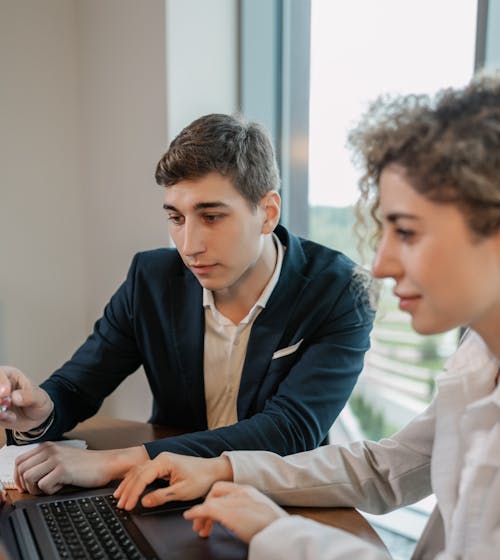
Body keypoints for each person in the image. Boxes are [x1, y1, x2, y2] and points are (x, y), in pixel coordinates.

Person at [114, 73, 500, 560]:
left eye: (405, 232)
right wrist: (231, 471)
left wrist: (271, 529)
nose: (378, 264)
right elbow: (385, 469)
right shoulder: (479, 359)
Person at [0, 113, 373, 496]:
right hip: (166, 496)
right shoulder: (151, 279)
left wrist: (117, 461)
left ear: (268, 212)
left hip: (278, 498)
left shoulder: (340, 291)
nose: (189, 245)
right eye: (176, 218)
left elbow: (289, 429)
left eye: (211, 217)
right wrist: (41, 408)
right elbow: (77, 386)